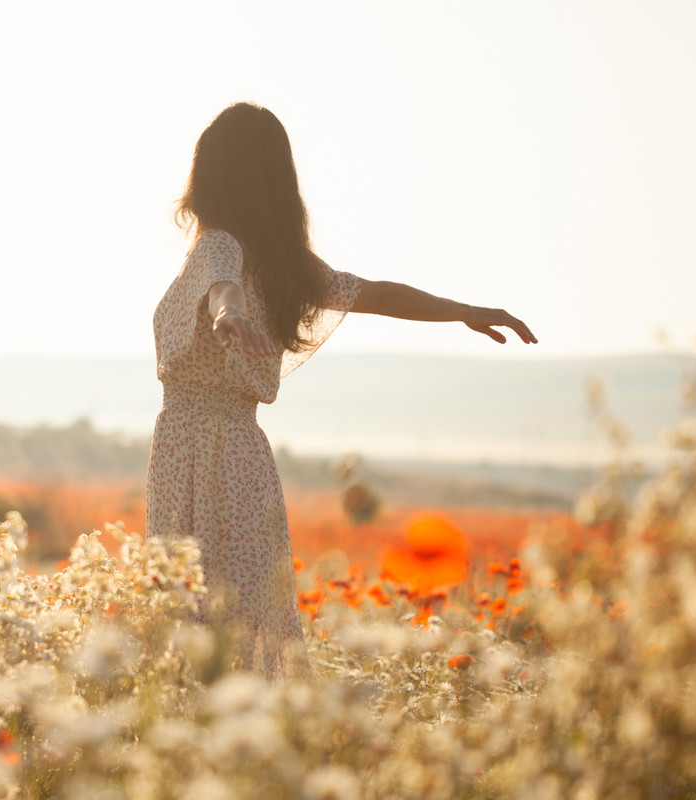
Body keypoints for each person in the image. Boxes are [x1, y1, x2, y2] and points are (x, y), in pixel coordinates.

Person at [146, 102, 537, 680]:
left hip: (193, 448)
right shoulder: (284, 266)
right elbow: (377, 294)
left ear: (211, 172)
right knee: (247, 613)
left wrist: (228, 315)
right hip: (245, 456)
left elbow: (222, 288)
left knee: (194, 617)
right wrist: (463, 312)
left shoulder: (219, 246)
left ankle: (200, 741)